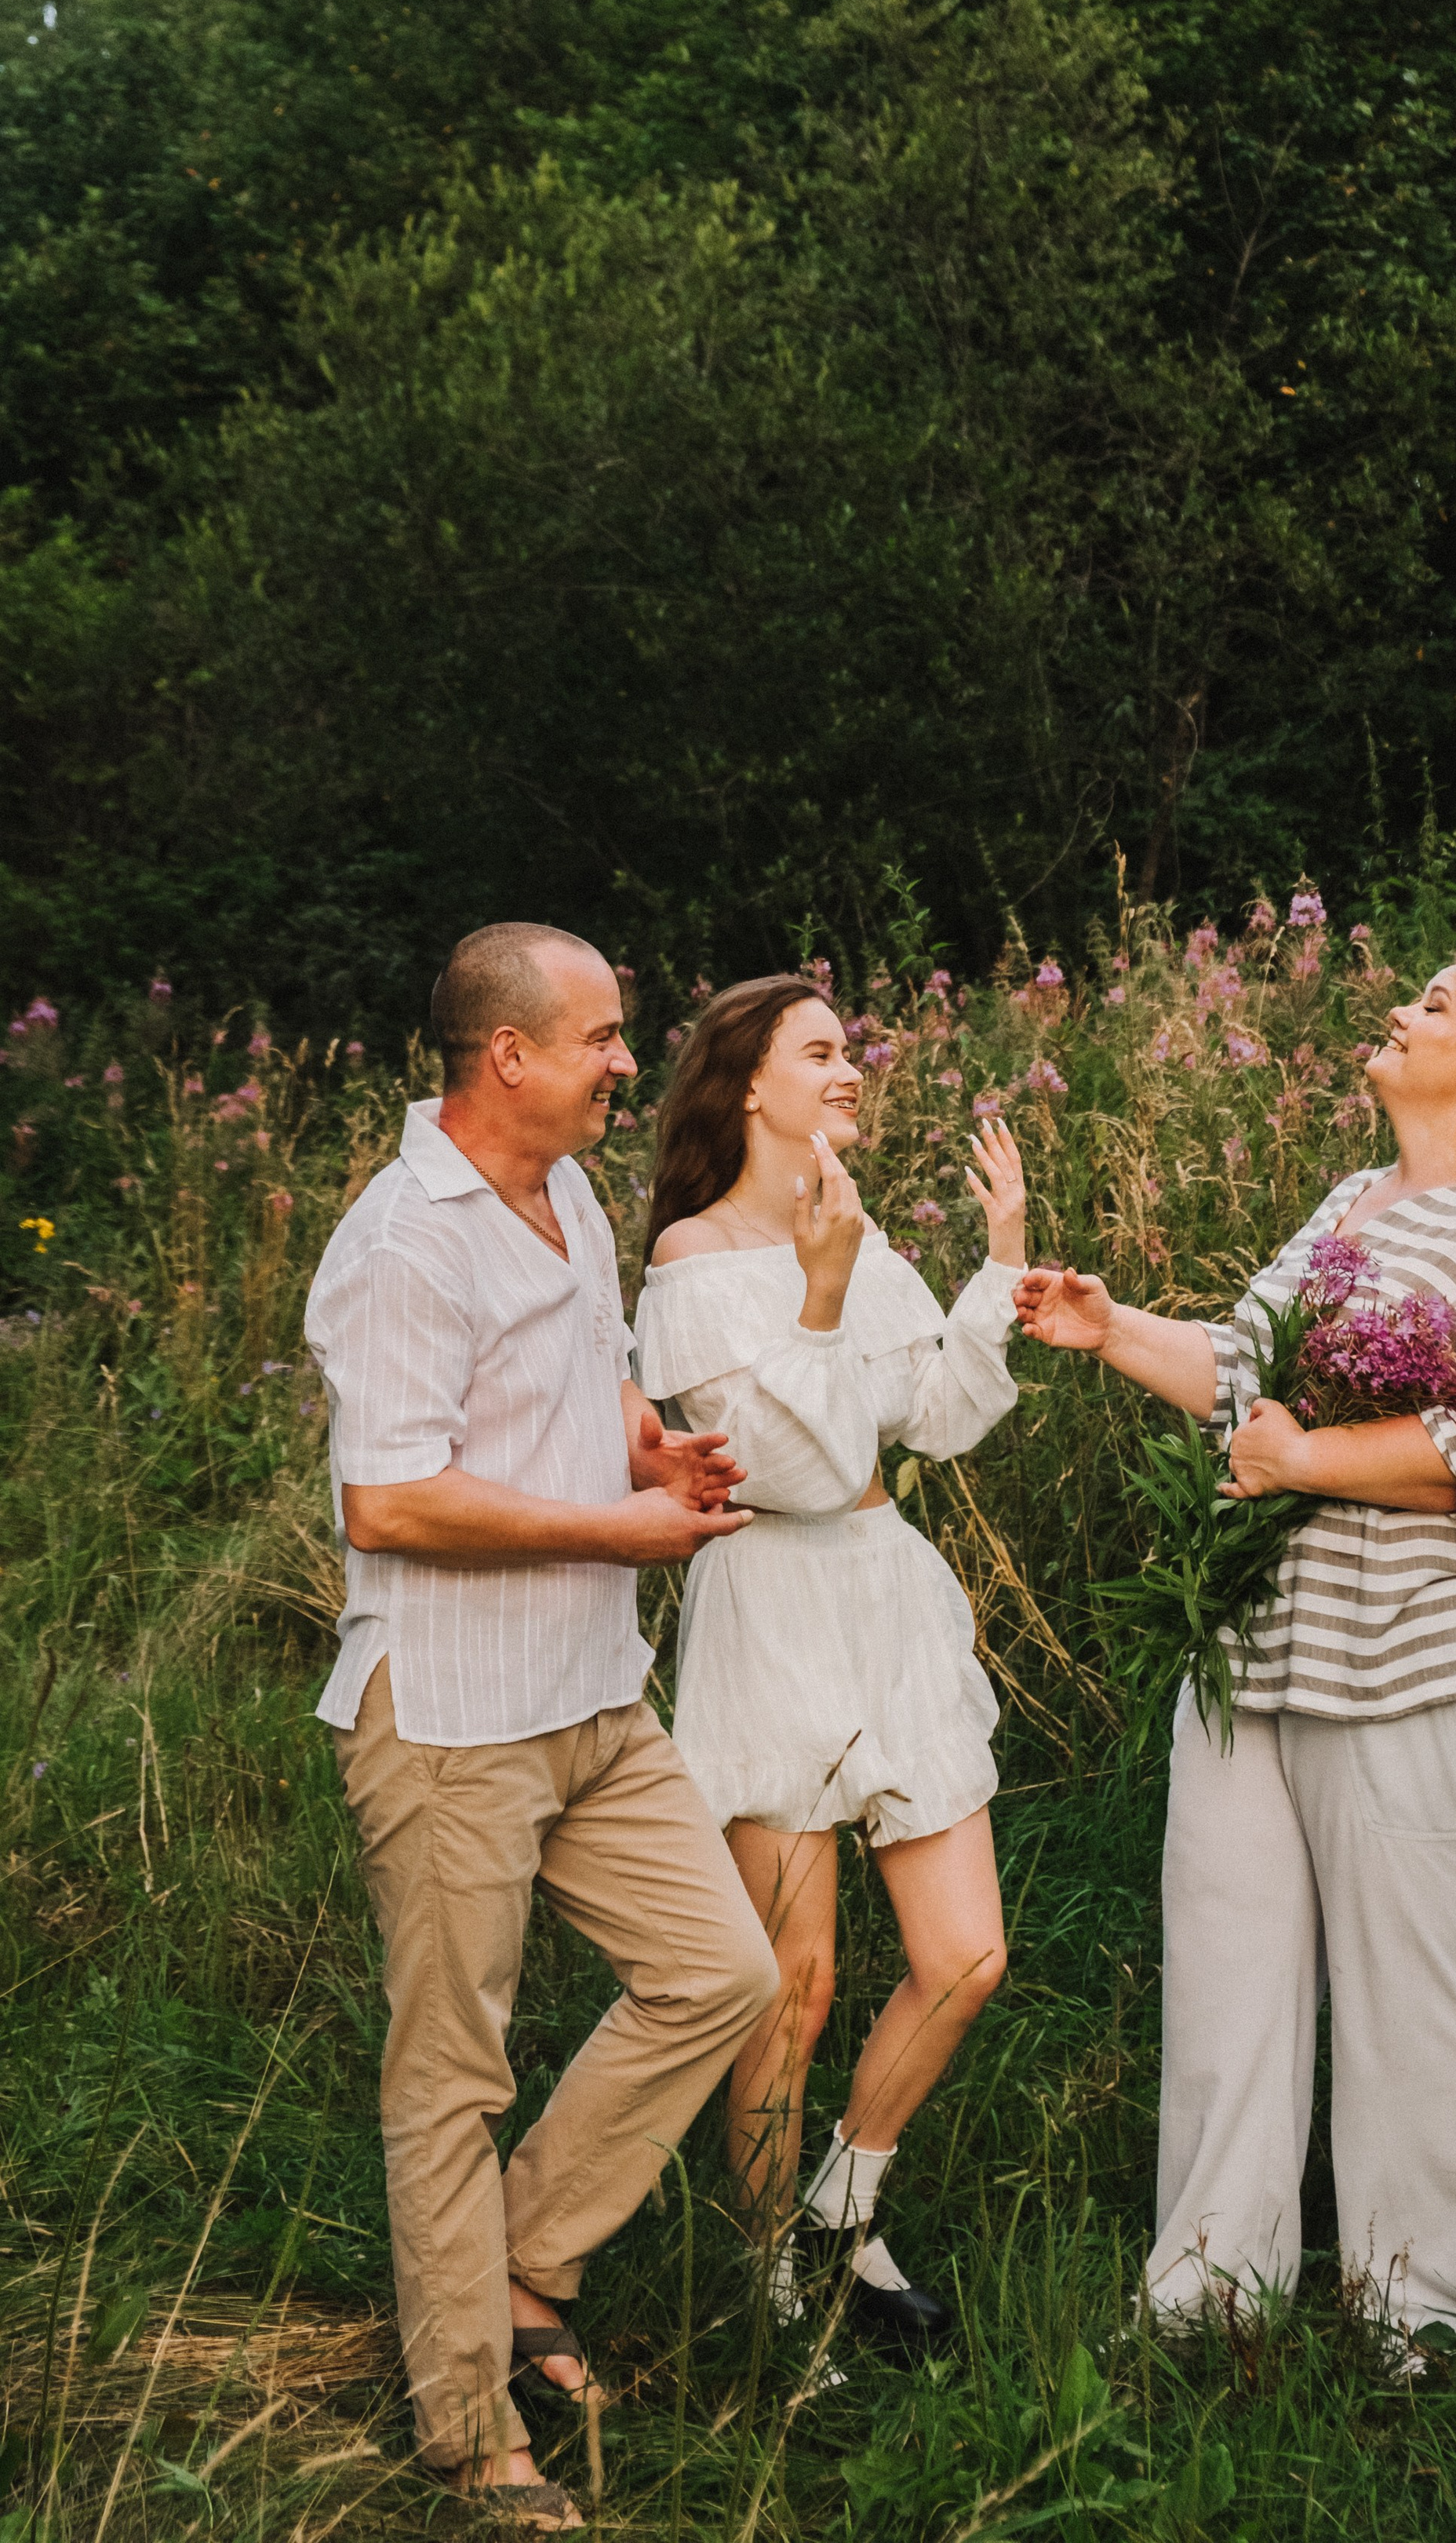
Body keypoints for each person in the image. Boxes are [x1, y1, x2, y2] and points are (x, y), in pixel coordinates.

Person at [1014, 945, 1456, 2361]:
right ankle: (1210, 2298)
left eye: (1433, 1004)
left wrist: (1311, 1460)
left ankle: (1427, 2316)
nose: (1398, 1012)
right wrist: (1108, 1329)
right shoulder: (1349, 1205)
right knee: (1226, 1983)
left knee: (1410, 2000)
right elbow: (1245, 1380)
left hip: (1424, 1660)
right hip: (1258, 1653)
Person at [304, 924, 780, 2532]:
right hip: (453, 1719)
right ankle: (469, 2434)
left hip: (592, 1694)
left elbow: (591, 1380)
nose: (627, 1062)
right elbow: (389, 1501)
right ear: (506, 1055)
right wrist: (615, 1534)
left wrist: (650, 1455)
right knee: (454, 2075)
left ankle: (518, 2263)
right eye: (601, 1038)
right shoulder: (403, 1245)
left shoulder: (565, 1189)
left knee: (718, 1973)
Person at [632, 975, 1028, 2359]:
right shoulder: (690, 1260)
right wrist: (817, 1291)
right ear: (749, 1083)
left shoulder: (860, 1233)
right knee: (791, 1986)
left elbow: (938, 1417)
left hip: (886, 1598)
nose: (851, 1069)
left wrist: (1000, 1260)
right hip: (774, 1606)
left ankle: (840, 2208)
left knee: (965, 1958)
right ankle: (767, 2282)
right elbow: (785, 1472)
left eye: (851, 1049)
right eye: (821, 1051)